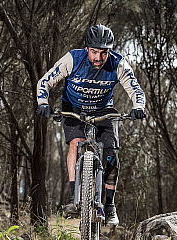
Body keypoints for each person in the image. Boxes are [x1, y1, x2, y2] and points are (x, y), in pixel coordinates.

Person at [36, 24, 146, 226]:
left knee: (111, 153)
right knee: (75, 143)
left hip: (104, 109)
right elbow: (45, 81)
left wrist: (138, 106)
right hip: (73, 107)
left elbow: (135, 89)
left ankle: (110, 206)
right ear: (87, 48)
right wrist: (43, 103)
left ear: (109, 51)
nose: (98, 58)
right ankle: (73, 197)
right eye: (94, 52)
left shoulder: (118, 64)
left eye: (103, 53)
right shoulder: (72, 59)